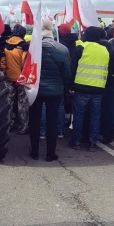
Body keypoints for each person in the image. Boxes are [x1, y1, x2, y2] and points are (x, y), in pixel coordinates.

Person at [29, 20, 71, 161]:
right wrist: (66, 87)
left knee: (34, 120)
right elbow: (66, 73)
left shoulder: (33, 49)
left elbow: (27, 68)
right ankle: (50, 153)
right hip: (55, 91)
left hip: (35, 91)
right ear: (52, 32)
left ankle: (34, 152)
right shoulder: (62, 49)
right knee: (52, 122)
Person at [69, 26, 114, 151]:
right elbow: (111, 69)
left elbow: (72, 68)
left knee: (79, 115)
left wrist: (70, 85)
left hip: (81, 87)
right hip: (99, 88)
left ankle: (77, 142)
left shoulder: (81, 48)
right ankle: (92, 143)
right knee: (95, 116)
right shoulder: (105, 50)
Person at [0, 24, 29, 134]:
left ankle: (8, 124)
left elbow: (2, 62)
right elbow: (25, 63)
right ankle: (23, 127)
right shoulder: (24, 46)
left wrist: (6, 72)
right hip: (21, 78)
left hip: (8, 77)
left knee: (9, 102)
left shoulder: (6, 45)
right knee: (22, 103)